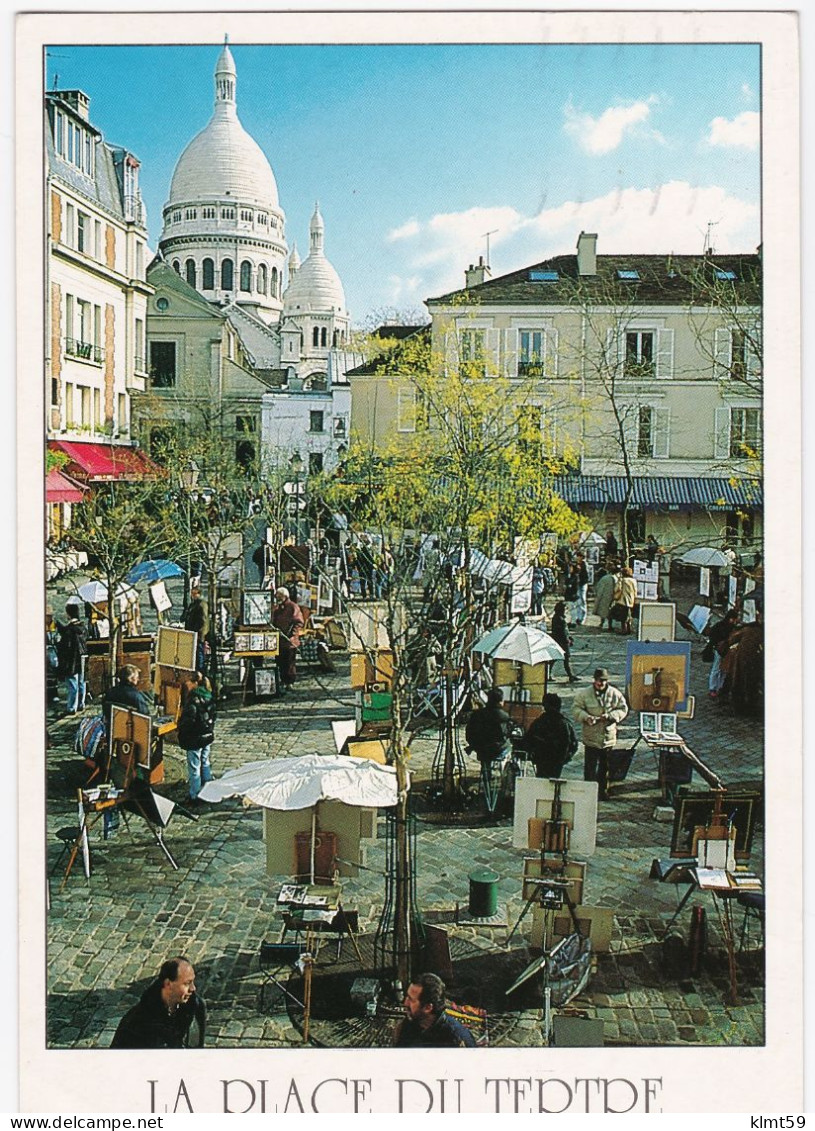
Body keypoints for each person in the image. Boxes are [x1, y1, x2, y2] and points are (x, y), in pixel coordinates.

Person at [111, 956, 206, 1048]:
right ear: (168, 984)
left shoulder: (196, 1007)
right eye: (187, 983)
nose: (193, 988)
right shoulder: (136, 1025)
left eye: (192, 982)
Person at [572, 668, 629, 801]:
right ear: (594, 680)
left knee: (605, 768)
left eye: (603, 681)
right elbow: (575, 708)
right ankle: (587, 792)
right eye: (599, 681)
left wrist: (610, 716)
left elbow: (623, 709)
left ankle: (603, 791)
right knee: (590, 768)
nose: (601, 684)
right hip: (591, 737)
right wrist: (586, 717)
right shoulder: (584, 694)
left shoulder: (614, 693)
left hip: (607, 738)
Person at [393, 973, 476, 1048]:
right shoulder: (408, 1025)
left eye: (411, 1000)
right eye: (407, 996)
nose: (405, 1003)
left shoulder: (456, 1041)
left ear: (428, 1008)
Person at [177, 670, 217, 801]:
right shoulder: (209, 695)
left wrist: (180, 729)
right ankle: (208, 786)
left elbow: (189, 721)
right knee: (205, 762)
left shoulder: (193, 699)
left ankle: (195, 794)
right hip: (207, 734)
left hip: (195, 737)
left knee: (194, 766)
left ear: (194, 683)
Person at [523, 693, 578, 779]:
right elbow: (573, 744)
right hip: (558, 761)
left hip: (541, 759)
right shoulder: (565, 723)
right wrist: (565, 758)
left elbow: (528, 739)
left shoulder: (539, 722)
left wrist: (533, 755)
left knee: (541, 781)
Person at [464, 687, 513, 764]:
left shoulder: (477, 714)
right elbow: (506, 734)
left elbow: (469, 732)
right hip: (498, 749)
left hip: (481, 749)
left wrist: (474, 745)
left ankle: (485, 771)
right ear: (500, 701)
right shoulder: (504, 716)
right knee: (509, 745)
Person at [56, 602, 88, 715]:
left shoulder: (70, 630)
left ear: (68, 614)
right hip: (82, 657)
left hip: (72, 659)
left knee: (72, 684)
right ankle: (81, 704)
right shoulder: (82, 627)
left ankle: (71, 708)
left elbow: (65, 645)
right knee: (81, 682)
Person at [271, 586, 305, 692]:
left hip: (289, 641)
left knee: (289, 663)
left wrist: (292, 633)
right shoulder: (277, 608)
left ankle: (289, 682)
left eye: (279, 596)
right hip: (279, 640)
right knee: (280, 661)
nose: (277, 598)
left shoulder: (292, 607)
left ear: (285, 596)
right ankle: (282, 679)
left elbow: (299, 621)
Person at [703, 608, 740, 700]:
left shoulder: (725, 626)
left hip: (725, 651)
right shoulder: (724, 626)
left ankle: (719, 688)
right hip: (720, 650)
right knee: (717, 669)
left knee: (723, 669)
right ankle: (713, 688)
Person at [550, 600, 578, 682]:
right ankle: (570, 675)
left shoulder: (559, 618)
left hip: (561, 641)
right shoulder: (559, 619)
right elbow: (562, 632)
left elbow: (566, 631)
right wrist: (568, 640)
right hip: (561, 642)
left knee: (558, 659)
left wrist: (570, 637)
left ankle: (571, 675)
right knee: (564, 659)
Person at [184, 587, 210, 673]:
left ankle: (200, 671)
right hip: (192, 633)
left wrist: (198, 632)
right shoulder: (194, 604)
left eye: (194, 594)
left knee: (199, 653)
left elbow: (202, 620)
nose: (192, 596)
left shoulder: (201, 604)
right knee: (195, 652)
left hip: (198, 634)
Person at [612, 567, 637, 634]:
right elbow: (635, 591)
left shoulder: (622, 580)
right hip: (631, 600)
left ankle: (624, 629)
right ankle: (629, 629)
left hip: (623, 600)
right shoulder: (634, 581)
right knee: (629, 615)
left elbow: (617, 588)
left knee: (623, 617)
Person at [593, 565, 618, 631]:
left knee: (604, 611)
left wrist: (598, 595)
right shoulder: (617, 578)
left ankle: (603, 623)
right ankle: (610, 625)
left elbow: (599, 588)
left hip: (605, 596)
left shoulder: (605, 578)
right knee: (610, 611)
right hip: (614, 597)